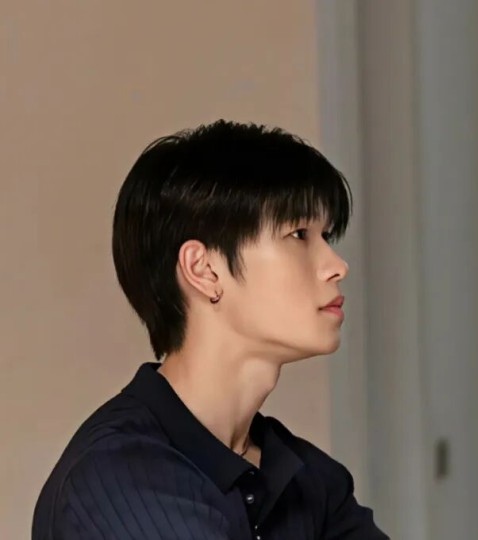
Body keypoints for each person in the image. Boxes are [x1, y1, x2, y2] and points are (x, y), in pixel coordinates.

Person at [32, 120, 388, 540]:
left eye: (326, 236)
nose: (337, 265)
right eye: (298, 234)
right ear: (203, 270)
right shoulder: (117, 478)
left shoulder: (311, 480)